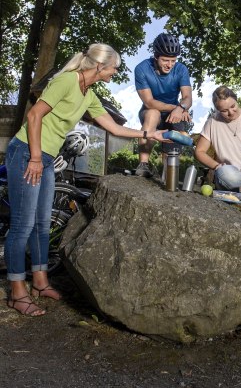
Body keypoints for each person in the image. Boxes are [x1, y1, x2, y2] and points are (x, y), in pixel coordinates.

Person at [4, 43, 168, 316]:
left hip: (44, 157)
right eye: (114, 68)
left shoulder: (88, 94)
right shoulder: (67, 81)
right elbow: (34, 115)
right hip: (26, 152)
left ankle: (40, 282)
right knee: (23, 225)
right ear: (101, 66)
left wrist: (149, 135)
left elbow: (113, 127)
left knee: (43, 225)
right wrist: (34, 157)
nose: (115, 73)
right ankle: (16, 291)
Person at [134, 33, 192, 177]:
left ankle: (168, 173)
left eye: (173, 60)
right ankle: (143, 165)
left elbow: (187, 98)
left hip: (174, 114)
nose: (170, 65)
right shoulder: (142, 69)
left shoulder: (181, 69)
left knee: (177, 131)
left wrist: (181, 108)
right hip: (151, 111)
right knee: (153, 113)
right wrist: (176, 108)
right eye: (165, 60)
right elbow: (149, 102)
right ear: (156, 56)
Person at [194, 86, 241, 191]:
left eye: (233, 106)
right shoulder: (212, 122)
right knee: (225, 173)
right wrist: (217, 166)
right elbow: (199, 151)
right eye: (224, 111)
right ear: (217, 109)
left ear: (236, 99)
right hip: (229, 175)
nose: (231, 112)